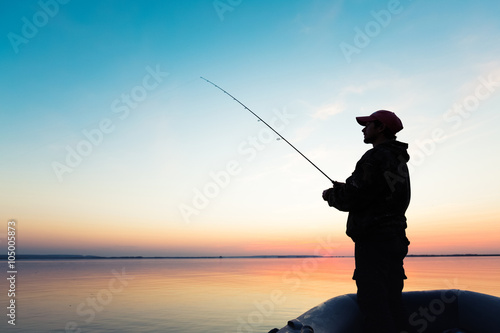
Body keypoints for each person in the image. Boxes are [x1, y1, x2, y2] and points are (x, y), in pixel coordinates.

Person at [322, 110, 412, 333]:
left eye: (368, 124)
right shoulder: (397, 160)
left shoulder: (374, 157)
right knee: (392, 299)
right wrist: (347, 188)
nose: (363, 129)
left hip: (374, 241)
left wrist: (331, 195)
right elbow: (376, 193)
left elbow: (353, 198)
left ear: (381, 128)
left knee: (373, 303)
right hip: (394, 239)